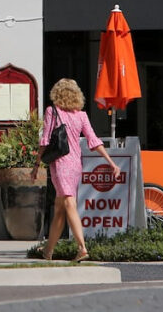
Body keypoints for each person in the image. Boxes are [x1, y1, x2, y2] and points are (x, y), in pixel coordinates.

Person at [31, 78, 120, 262]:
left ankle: (82, 248)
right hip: (75, 164)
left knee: (68, 204)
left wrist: (37, 164)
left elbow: (46, 140)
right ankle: (48, 251)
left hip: (60, 164)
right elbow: (93, 140)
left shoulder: (52, 111)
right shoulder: (82, 115)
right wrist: (111, 162)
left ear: (58, 93)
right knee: (59, 208)